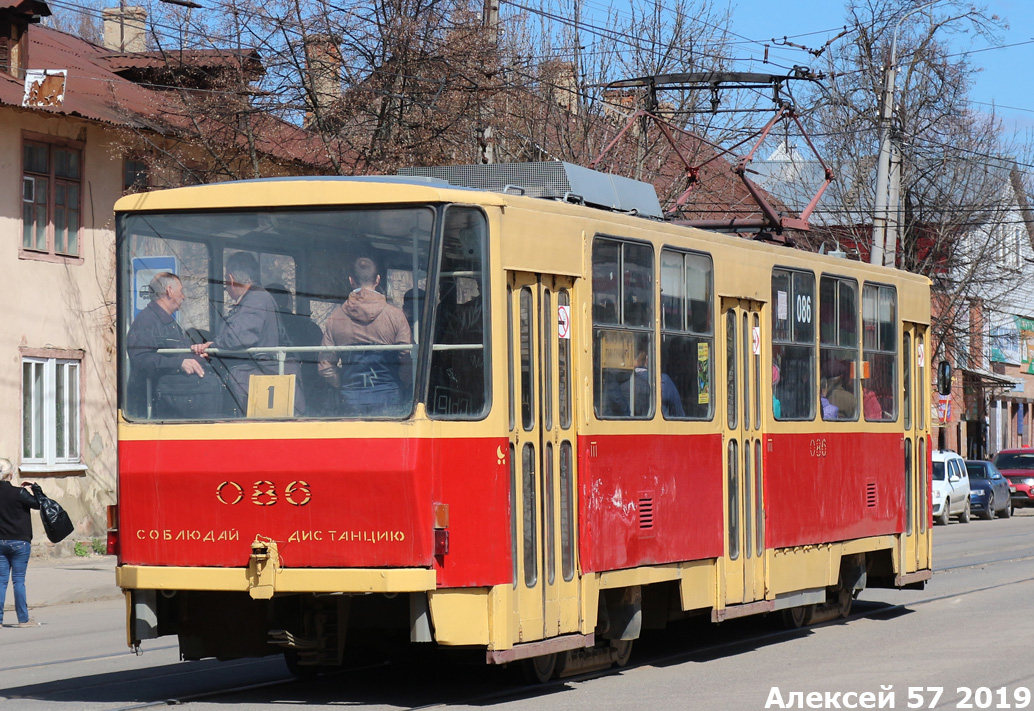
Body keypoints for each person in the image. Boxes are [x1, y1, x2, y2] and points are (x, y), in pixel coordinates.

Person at [319, 257, 412, 415]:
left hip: (351, 398)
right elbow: (407, 358)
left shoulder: (335, 318)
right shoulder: (395, 316)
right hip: (389, 396)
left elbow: (326, 366)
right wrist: (402, 383)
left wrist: (342, 383)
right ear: (377, 279)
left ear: (351, 281)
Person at [192, 252, 282, 413]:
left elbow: (238, 336)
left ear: (231, 279)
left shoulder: (256, 299)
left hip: (252, 378)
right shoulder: (256, 297)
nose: (226, 289)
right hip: (251, 377)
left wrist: (212, 346)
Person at [125, 272, 207, 418]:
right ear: (169, 290)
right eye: (181, 291)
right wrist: (179, 363)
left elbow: (174, 354)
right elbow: (140, 359)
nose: (183, 296)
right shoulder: (147, 321)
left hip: (171, 401)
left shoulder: (168, 322)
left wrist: (196, 358)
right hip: (152, 408)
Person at [267, 283, 325, 413]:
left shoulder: (261, 327)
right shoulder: (310, 327)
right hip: (307, 385)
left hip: (267, 383)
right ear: (287, 300)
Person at [0, 458, 40, 628]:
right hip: (20, 542)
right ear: (10, 474)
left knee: (1, 582)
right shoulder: (19, 493)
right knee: (18, 581)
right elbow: (39, 504)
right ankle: (23, 619)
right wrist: (35, 489)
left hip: (0, 542)